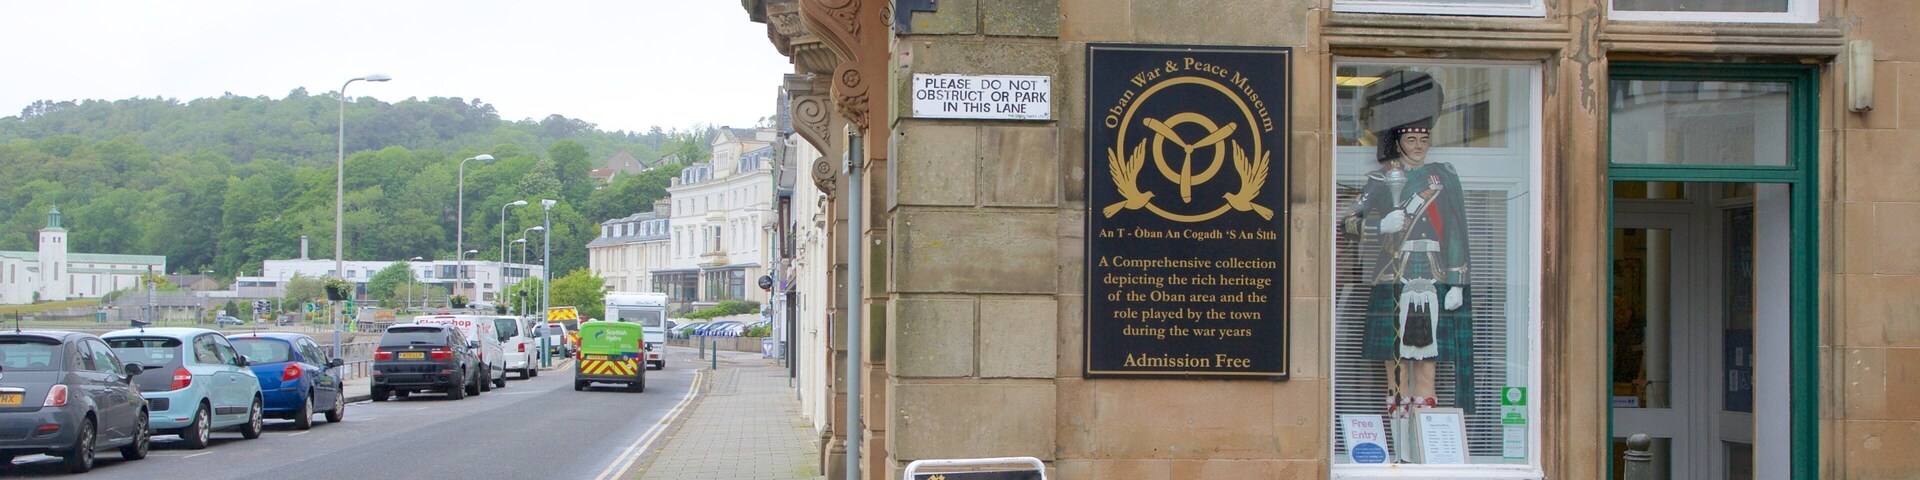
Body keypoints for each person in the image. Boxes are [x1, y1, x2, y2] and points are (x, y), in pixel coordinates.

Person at [1341, 69, 1476, 418]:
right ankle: (1400, 445)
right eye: (1412, 140)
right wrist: (1379, 225)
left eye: (1424, 140)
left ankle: (1426, 446)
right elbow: (1347, 222)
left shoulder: (1441, 178)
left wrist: (1457, 281)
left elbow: (1455, 232)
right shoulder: (1379, 180)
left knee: (1427, 369)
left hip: (1433, 277)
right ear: (1397, 141)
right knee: (1396, 371)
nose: (1418, 147)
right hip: (1393, 277)